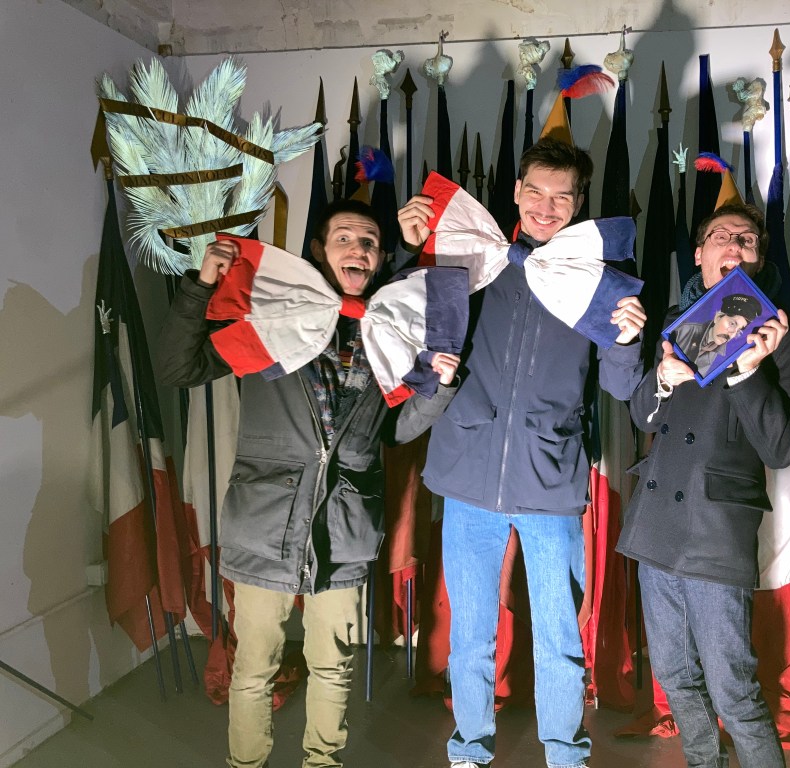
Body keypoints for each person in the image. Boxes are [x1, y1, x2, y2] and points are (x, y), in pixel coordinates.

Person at [156, 198, 460, 768]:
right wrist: (201, 287)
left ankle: (323, 762)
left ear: (379, 259)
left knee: (333, 666)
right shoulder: (272, 320)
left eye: (369, 242)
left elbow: (395, 432)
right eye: (344, 238)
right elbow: (179, 368)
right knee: (253, 668)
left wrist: (439, 389)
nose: (358, 249)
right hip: (264, 524)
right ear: (318, 250)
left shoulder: (387, 334)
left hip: (342, 532)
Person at [396, 136, 646, 768]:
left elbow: (621, 388)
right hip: (467, 471)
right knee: (471, 634)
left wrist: (625, 341)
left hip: (550, 479)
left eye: (562, 196)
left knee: (559, 636)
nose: (545, 206)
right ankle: (468, 751)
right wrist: (412, 247)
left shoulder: (596, 278)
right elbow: (405, 314)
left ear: (578, 203)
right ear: (515, 192)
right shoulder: (472, 257)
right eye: (535, 191)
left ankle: (566, 757)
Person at [617, 202, 790, 768]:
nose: (733, 245)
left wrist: (749, 371)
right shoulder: (678, 323)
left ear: (759, 258)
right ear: (700, 254)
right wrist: (661, 378)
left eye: (746, 239)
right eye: (721, 236)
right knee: (675, 676)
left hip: (716, 533)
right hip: (657, 524)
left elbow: (782, 448)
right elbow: (641, 415)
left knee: (734, 690)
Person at [670, 292, 762, 376]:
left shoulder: (724, 356)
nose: (732, 334)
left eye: (738, 331)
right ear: (717, 317)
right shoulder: (683, 330)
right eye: (732, 324)